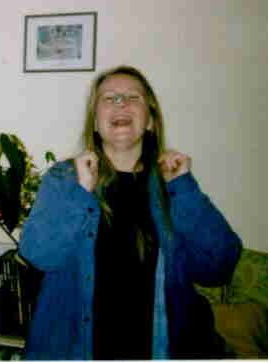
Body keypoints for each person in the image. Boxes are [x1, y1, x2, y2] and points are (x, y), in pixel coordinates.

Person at [18, 65, 242, 360]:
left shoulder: (172, 183)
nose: (120, 103)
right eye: (109, 98)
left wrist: (184, 189)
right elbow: (38, 253)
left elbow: (219, 267)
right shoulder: (65, 178)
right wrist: (80, 192)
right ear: (95, 123)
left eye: (132, 97)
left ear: (149, 119)